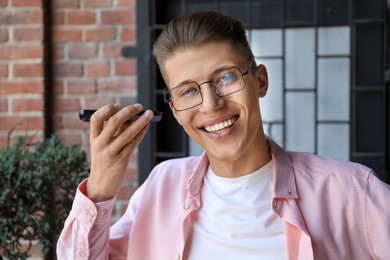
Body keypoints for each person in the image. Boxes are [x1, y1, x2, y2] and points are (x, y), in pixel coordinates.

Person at [57, 11, 390, 259]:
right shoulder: (163, 186)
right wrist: (99, 188)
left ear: (260, 80)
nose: (212, 104)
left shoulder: (350, 193)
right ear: (174, 111)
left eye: (226, 78)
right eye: (188, 91)